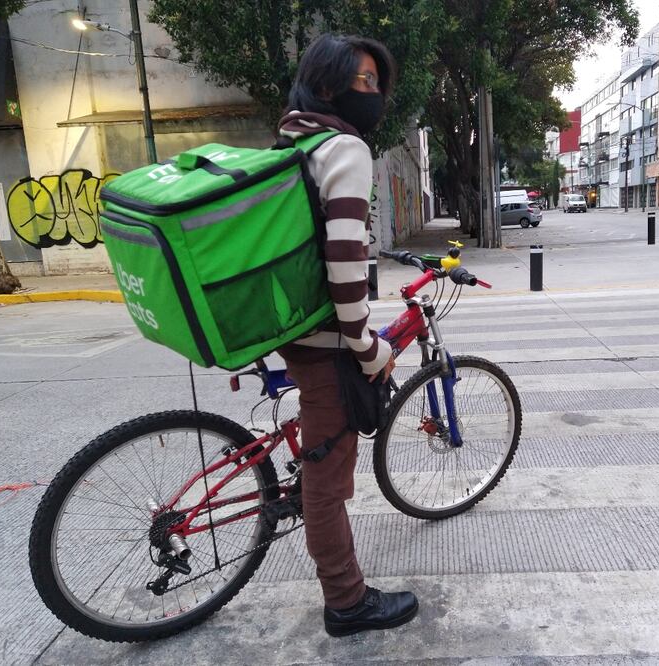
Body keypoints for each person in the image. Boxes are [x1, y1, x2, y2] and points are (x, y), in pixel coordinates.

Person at [275, 34, 418, 637]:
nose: (375, 93)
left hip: (295, 327)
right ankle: (346, 602)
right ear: (328, 83)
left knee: (319, 463)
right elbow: (343, 261)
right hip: (328, 340)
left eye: (377, 82)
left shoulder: (292, 137)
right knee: (326, 485)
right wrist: (369, 345)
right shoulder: (344, 148)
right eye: (363, 81)